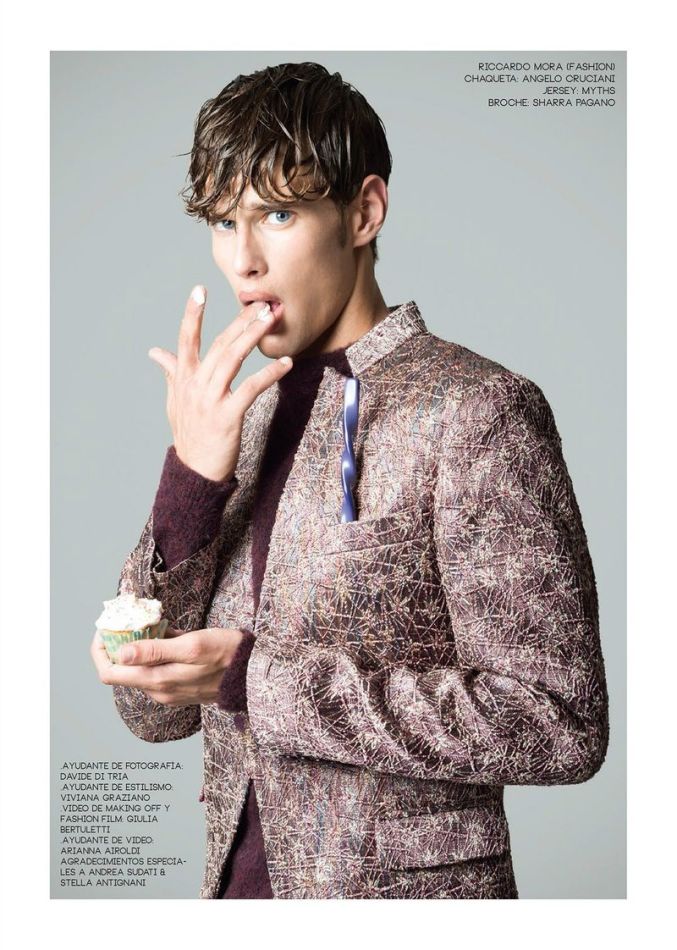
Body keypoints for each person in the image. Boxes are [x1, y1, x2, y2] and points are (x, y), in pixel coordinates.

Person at [91, 61, 609, 900]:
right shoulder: (239, 421)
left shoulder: (474, 410)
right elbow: (152, 715)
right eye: (223, 221)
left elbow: (559, 723)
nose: (243, 260)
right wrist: (190, 478)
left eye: (278, 214)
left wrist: (256, 680)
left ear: (363, 213)